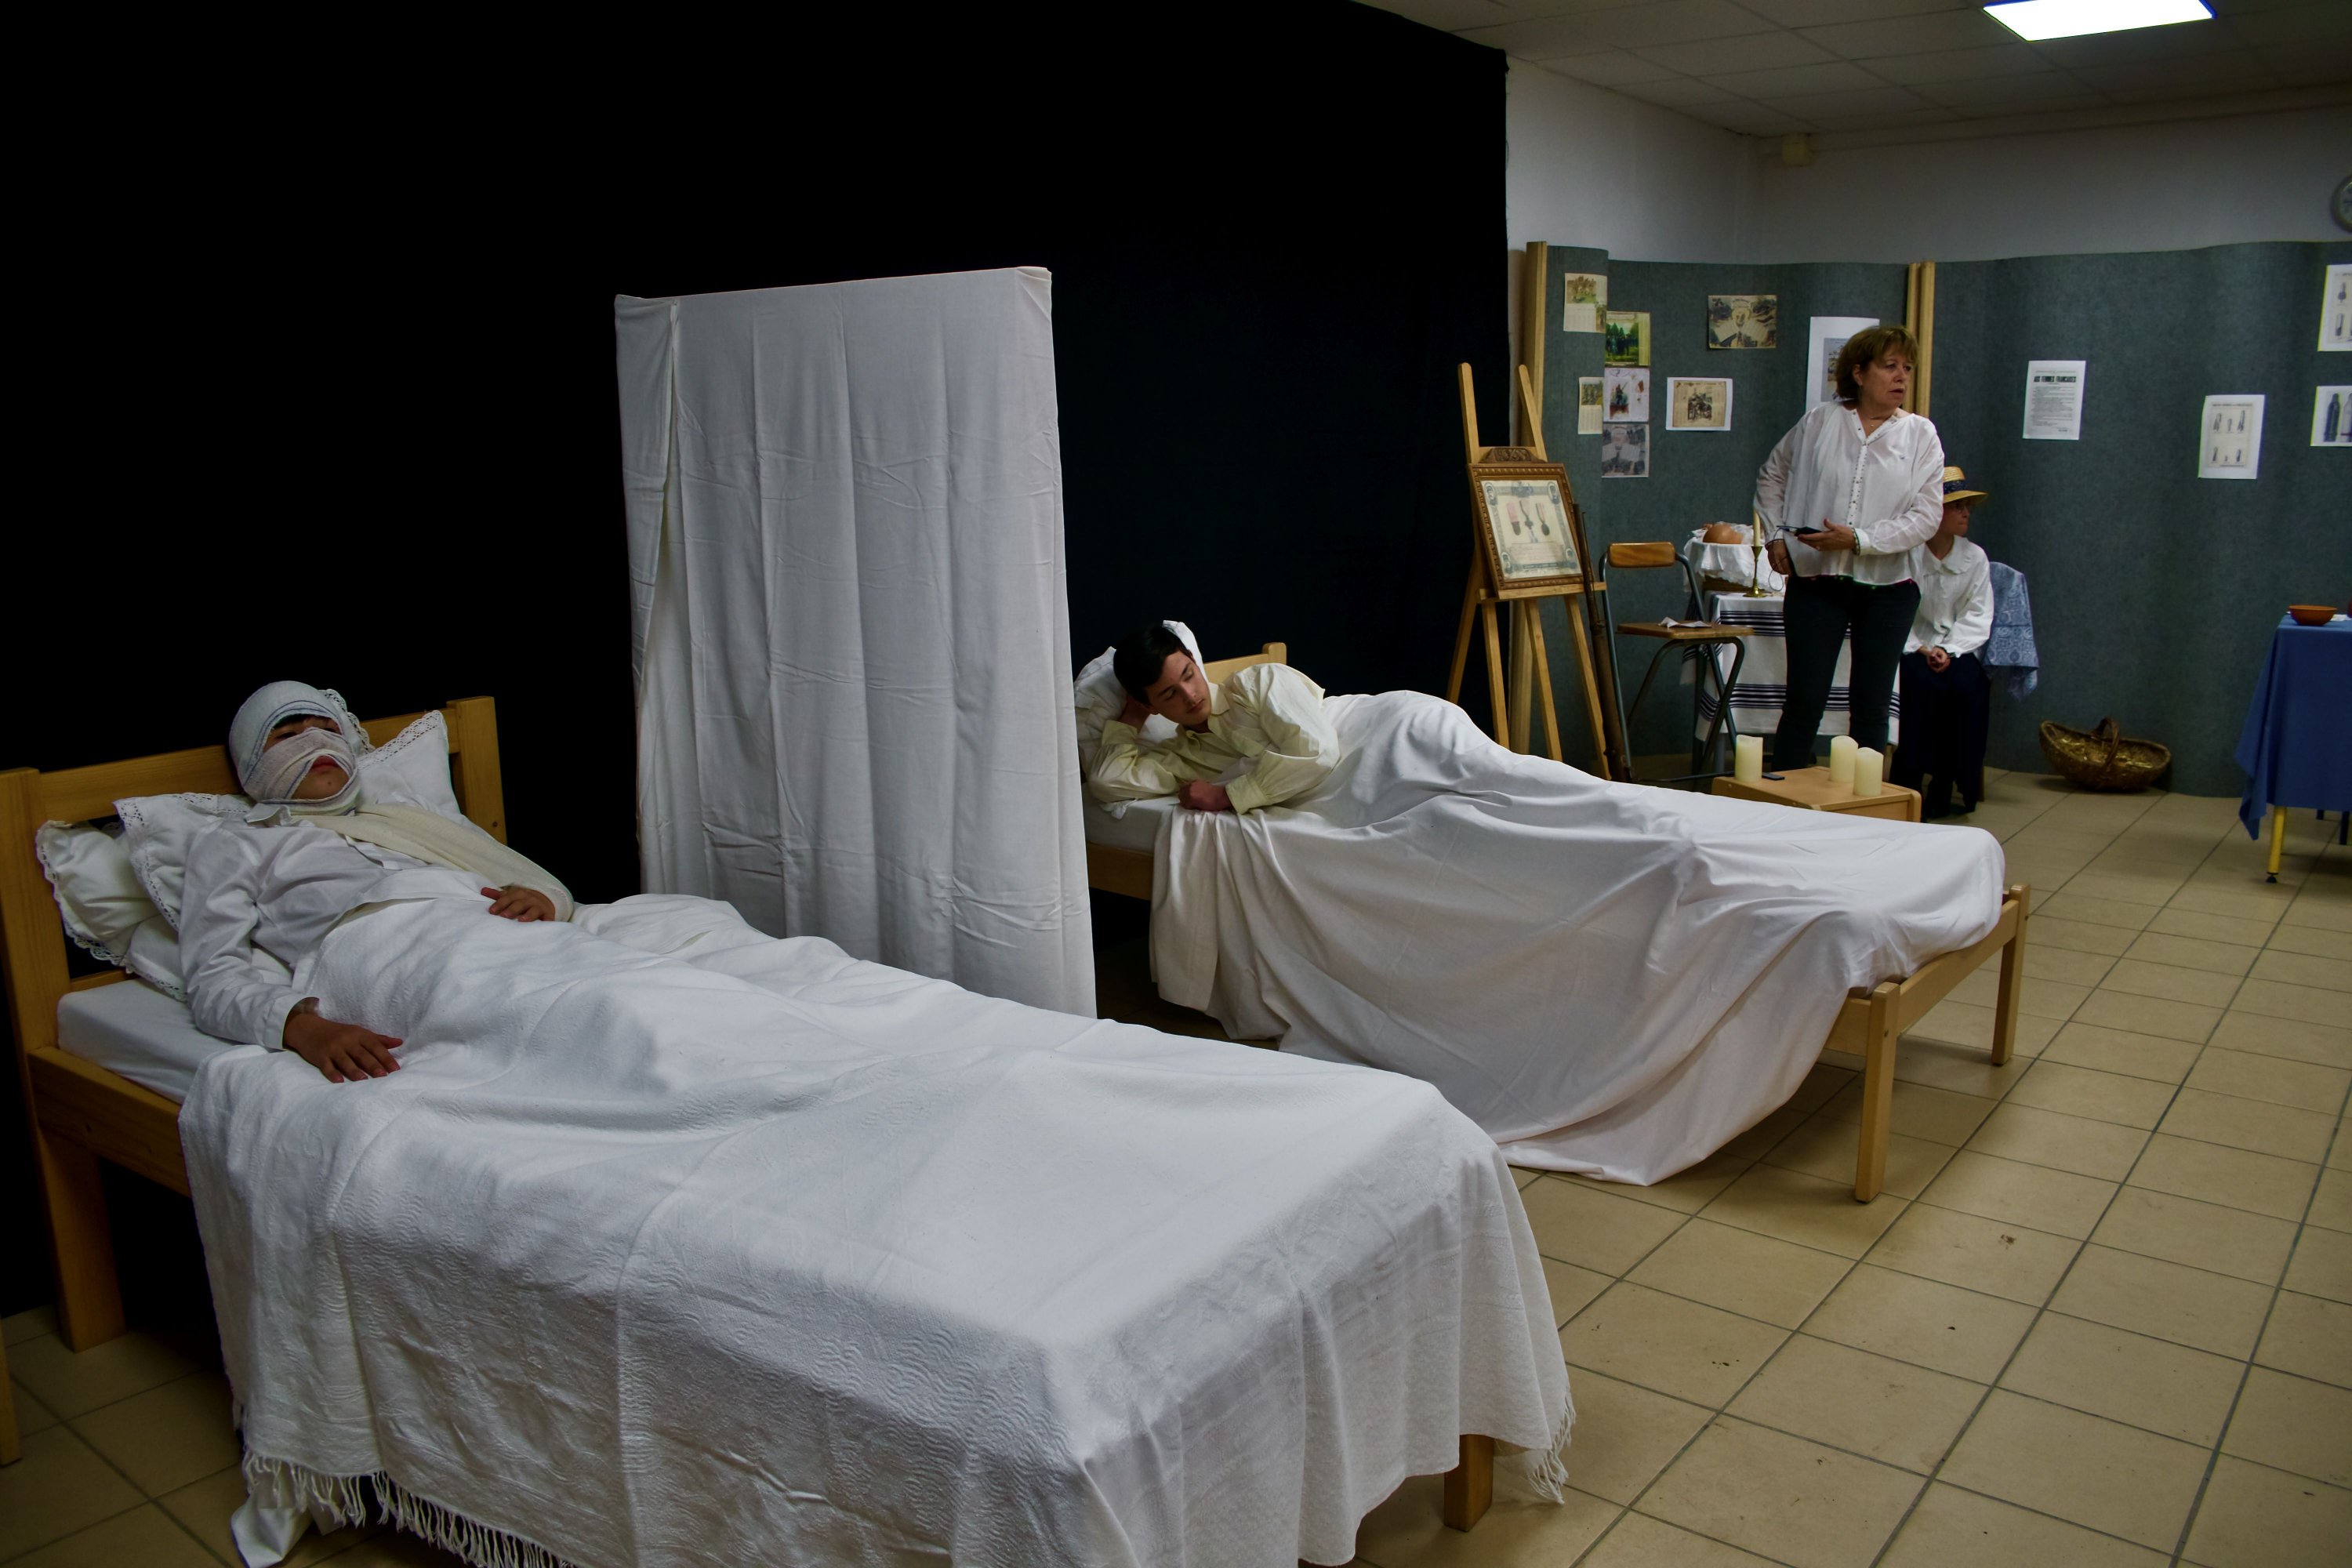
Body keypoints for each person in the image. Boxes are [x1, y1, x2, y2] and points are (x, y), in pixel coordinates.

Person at [182, 681, 576, 1083]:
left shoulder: (402, 813)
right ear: (251, 762)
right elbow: (212, 979)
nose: (316, 743)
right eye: (287, 736)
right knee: (573, 1014)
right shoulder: (238, 841)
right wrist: (302, 1029)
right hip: (394, 958)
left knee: (596, 988)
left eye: (329, 730)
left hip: (494, 929)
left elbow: (513, 871)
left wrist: (542, 897)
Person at [1755, 325, 1944, 770]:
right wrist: (1776, 535)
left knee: (1872, 706)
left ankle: (1864, 803)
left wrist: (1860, 540)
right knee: (1803, 702)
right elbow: (1772, 475)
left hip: (1889, 588)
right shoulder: (1820, 421)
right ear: (1859, 373)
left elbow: (1926, 517)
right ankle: (1784, 796)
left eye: (1908, 368)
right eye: (1890, 366)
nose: (1901, 376)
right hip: (1816, 581)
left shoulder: (1920, 434)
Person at [1088, 622, 1341, 815]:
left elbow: (1318, 751)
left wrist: (1225, 796)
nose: (1190, 696)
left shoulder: (1258, 682)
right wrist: (1133, 717)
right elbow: (1106, 781)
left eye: (1188, 675)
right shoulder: (1180, 758)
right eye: (1170, 694)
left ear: (1193, 659)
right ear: (1149, 705)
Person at [1890, 467, 1996, 818]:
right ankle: (1907, 783)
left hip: (1956, 647)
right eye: (1956, 507)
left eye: (1967, 507)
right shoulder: (1908, 555)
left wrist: (1949, 650)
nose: (1966, 514)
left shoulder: (1974, 557)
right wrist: (1922, 648)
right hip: (1911, 646)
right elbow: (1896, 610)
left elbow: (1978, 614)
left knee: (1966, 688)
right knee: (1918, 687)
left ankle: (1947, 784)